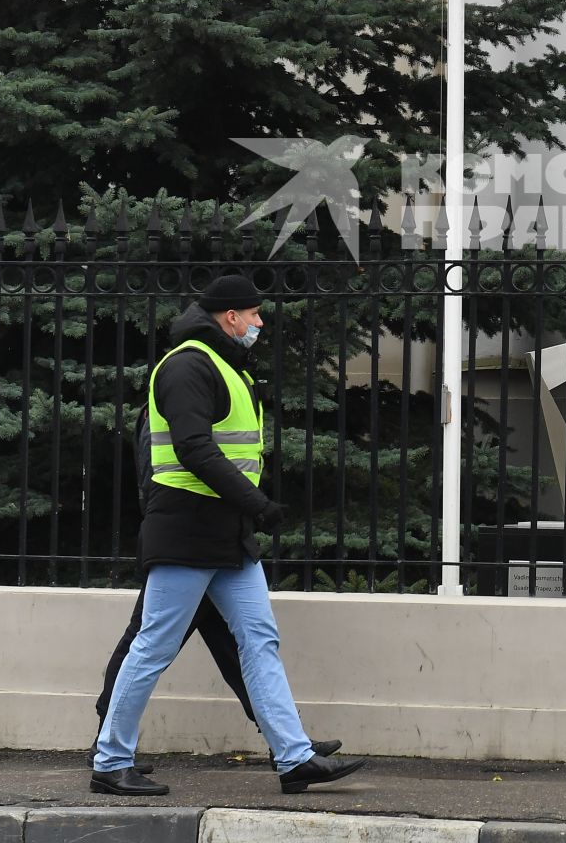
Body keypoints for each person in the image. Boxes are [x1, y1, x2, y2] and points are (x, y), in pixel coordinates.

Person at [91, 274, 367, 796]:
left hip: (226, 534)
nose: (261, 323)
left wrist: (247, 511)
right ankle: (110, 760)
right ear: (230, 317)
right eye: (254, 314)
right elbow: (194, 448)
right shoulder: (187, 365)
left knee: (259, 638)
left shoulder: (225, 366)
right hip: (187, 529)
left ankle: (294, 757)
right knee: (152, 646)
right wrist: (256, 503)